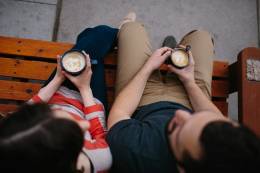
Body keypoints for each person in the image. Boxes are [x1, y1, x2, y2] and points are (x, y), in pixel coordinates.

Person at [106, 12, 260, 173]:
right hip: (189, 98)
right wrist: (189, 81)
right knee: (202, 38)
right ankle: (174, 55)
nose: (179, 115)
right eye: (202, 118)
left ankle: (126, 30)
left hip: (140, 102)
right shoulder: (228, 149)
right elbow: (214, 116)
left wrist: (148, 68)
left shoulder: (134, 153)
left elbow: (120, 112)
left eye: (178, 129)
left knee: (132, 30)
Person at [0, 25, 118, 173]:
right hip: (89, 103)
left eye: (47, 112)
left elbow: (28, 109)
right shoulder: (98, 161)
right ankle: (123, 32)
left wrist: (57, 79)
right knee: (100, 34)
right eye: (74, 135)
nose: (84, 125)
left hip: (55, 91)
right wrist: (85, 88)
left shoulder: (11, 140)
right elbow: (99, 133)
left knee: (87, 43)